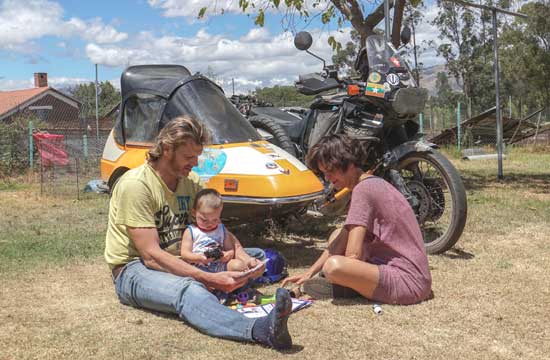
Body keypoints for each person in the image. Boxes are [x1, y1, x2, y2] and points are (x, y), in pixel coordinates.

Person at [105, 116, 293, 349]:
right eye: (188, 157)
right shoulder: (136, 185)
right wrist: (207, 277)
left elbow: (217, 228)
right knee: (188, 288)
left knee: (258, 256)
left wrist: (242, 255)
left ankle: (231, 284)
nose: (194, 163)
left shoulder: (191, 182)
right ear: (166, 150)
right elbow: (151, 256)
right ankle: (261, 330)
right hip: (135, 269)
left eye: (197, 156)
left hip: (185, 257)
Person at [282, 134, 432, 305]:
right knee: (337, 235)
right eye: (324, 173)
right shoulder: (372, 183)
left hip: (407, 283)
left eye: (331, 171)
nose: (328, 178)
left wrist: (335, 272)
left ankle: (346, 287)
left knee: (334, 266)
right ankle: (345, 285)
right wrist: (309, 273)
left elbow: (353, 255)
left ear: (350, 163)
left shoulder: (363, 190)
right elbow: (340, 241)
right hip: (415, 277)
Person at [180, 188, 247, 274]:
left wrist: (227, 255)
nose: (209, 224)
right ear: (194, 213)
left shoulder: (221, 229)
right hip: (199, 268)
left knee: (239, 266)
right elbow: (185, 254)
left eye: (215, 220)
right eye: (204, 220)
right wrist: (199, 258)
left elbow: (230, 249)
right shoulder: (191, 231)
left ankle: (235, 285)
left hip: (220, 265)